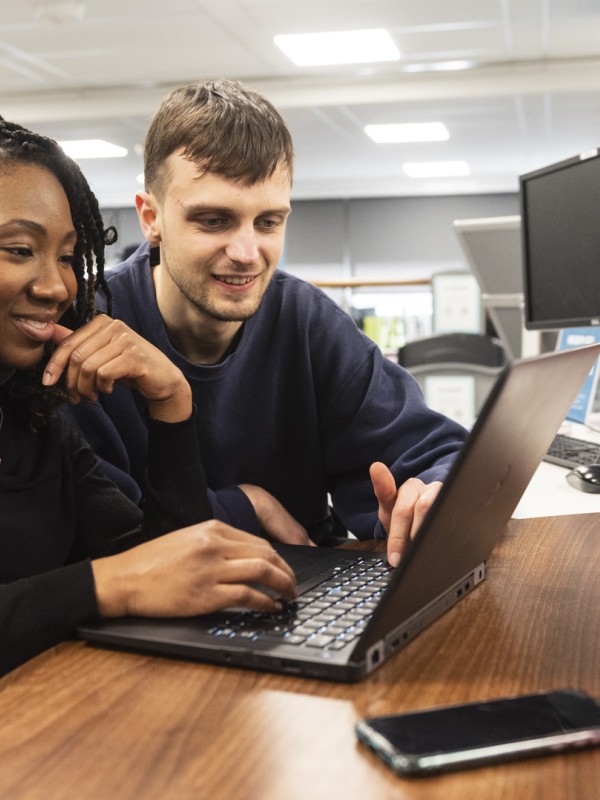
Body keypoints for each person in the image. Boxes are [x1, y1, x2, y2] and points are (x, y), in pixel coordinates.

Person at [64, 79, 469, 569]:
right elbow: (100, 527)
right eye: (213, 220)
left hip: (304, 583)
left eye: (269, 222)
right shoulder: (86, 325)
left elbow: (432, 451)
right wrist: (247, 506)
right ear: (152, 217)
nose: (246, 254)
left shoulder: (306, 320)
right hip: (142, 607)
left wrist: (430, 495)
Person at [0, 117, 296, 676]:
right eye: (19, 249)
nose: (57, 287)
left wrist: (172, 399)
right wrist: (106, 584)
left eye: (66, 256)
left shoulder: (32, 420)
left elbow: (172, 567)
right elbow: (124, 577)